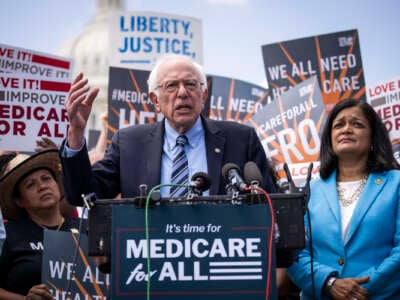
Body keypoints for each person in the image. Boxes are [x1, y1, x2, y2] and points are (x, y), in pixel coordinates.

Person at [60, 54, 277, 204]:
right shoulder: (128, 143)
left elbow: (268, 203)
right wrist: (76, 134)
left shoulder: (241, 139)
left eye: (191, 84)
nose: (182, 93)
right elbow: (83, 194)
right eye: (171, 86)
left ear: (203, 95)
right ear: (155, 100)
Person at [287, 99, 400, 299]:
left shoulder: (396, 183)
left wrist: (359, 290)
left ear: (373, 138)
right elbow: (294, 253)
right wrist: (329, 283)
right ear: (330, 138)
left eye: (357, 124)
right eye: (339, 125)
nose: (346, 129)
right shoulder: (309, 191)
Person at [0, 149, 84, 298]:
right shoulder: (8, 234)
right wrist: (24, 299)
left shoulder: (87, 228)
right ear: (19, 201)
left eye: (46, 178)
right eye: (30, 185)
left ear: (58, 186)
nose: (42, 186)